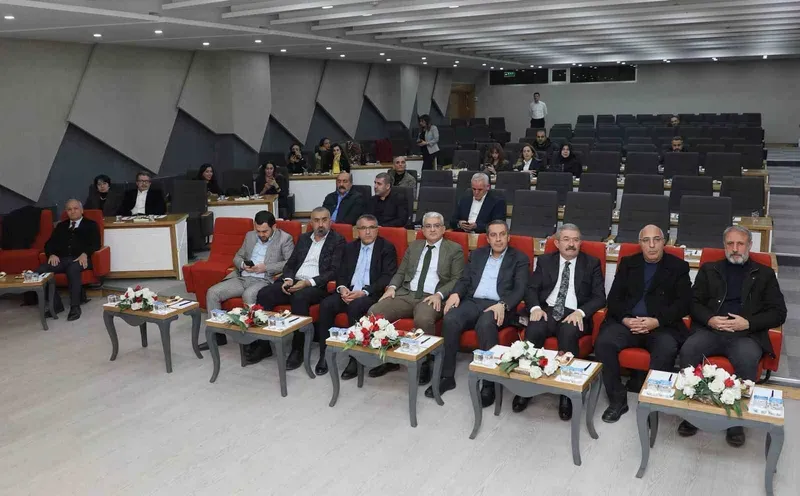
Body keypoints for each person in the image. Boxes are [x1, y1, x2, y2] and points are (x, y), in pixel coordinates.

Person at [677, 226, 786, 447]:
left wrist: (748, 323)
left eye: (740, 244)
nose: (735, 249)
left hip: (746, 334)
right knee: (688, 350)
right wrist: (710, 319)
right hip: (711, 330)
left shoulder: (764, 274)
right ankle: (692, 413)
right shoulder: (709, 269)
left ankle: (736, 421)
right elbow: (693, 303)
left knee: (747, 358)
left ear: (749, 245)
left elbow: (779, 312)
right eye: (730, 244)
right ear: (724, 245)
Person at [594, 225, 691, 423]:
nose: (652, 245)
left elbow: (684, 304)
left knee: (666, 348)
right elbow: (614, 299)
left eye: (656, 240)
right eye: (646, 241)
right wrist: (626, 319)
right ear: (640, 244)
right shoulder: (629, 263)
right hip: (628, 324)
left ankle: (651, 403)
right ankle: (617, 399)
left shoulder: (678, 266)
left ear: (664, 242)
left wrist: (656, 321)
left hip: (661, 326)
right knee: (604, 343)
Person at [429, 220, 529, 405]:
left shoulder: (519, 258)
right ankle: (447, 376)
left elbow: (520, 289)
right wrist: (456, 294)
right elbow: (464, 279)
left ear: (508, 237)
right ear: (487, 238)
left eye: (502, 234)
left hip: (499, 305)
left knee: (485, 323)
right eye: (493, 235)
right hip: (473, 301)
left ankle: (489, 384)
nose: (498, 239)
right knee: (451, 319)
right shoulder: (477, 255)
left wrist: (503, 304)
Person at [513, 223, 605, 419]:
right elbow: (531, 289)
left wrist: (581, 312)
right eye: (566, 239)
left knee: (568, 332)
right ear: (557, 243)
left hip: (574, 312)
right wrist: (535, 308)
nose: (571, 244)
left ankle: (566, 393)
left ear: (580, 242)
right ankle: (525, 388)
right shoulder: (546, 261)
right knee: (534, 330)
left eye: (576, 240)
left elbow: (600, 297)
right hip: (547, 309)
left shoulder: (591, 263)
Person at [367, 211, 465, 381]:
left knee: (423, 319)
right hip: (407, 293)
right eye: (428, 226)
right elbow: (401, 272)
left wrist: (439, 294)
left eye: (436, 226)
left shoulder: (454, 249)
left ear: (443, 229)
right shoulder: (414, 246)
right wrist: (392, 287)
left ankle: (425, 362)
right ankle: (388, 358)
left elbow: (457, 278)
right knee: (375, 312)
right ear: (423, 230)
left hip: (432, 296)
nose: (432, 229)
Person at [255, 207, 345, 369]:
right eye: (316, 220)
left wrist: (308, 282)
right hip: (295, 281)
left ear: (330, 222)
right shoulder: (303, 238)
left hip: (317, 286)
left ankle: (298, 349)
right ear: (311, 223)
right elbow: (290, 264)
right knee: (264, 294)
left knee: (299, 297)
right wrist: (288, 279)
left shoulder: (338, 240)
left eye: (324, 220)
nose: (321, 224)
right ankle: (263, 345)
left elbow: (334, 270)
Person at [314, 214, 398, 377]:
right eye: (363, 228)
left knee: (355, 307)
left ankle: (355, 359)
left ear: (377, 230)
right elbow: (340, 272)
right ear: (357, 231)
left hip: (371, 293)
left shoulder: (386, 248)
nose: (368, 232)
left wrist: (364, 292)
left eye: (372, 228)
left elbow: (387, 276)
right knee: (326, 304)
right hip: (349, 290)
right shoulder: (349, 248)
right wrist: (342, 289)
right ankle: (325, 354)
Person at [204, 211, 294, 359]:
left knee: (249, 295)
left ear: (274, 227)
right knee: (212, 292)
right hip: (243, 277)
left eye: (265, 231)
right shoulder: (250, 236)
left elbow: (290, 263)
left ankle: (254, 341)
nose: (261, 234)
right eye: (258, 231)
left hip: (264, 279)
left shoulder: (285, 239)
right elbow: (237, 257)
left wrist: (266, 267)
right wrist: (242, 264)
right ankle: (218, 336)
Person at [34, 199, 100, 322]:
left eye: (75, 208)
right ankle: (56, 305)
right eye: (69, 209)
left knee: (73, 268)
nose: (72, 211)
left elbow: (96, 244)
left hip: (82, 260)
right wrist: (52, 254)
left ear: (81, 210)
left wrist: (85, 254)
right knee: (41, 270)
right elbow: (49, 244)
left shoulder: (91, 225)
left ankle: (75, 307)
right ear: (66, 212)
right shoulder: (61, 226)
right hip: (62, 260)